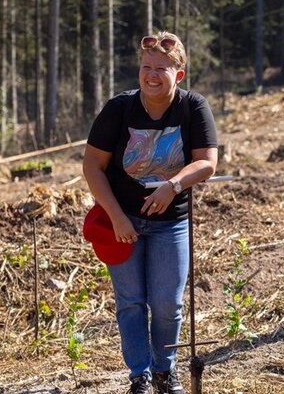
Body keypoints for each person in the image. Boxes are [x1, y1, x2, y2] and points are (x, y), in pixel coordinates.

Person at [82, 32, 217, 394]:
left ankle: (164, 370)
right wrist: (116, 217)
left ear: (179, 74)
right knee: (130, 302)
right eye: (146, 67)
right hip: (121, 221)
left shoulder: (192, 108)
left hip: (171, 223)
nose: (152, 74)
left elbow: (207, 163)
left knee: (168, 304)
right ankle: (139, 374)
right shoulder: (119, 109)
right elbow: (93, 166)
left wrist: (172, 185)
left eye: (161, 68)